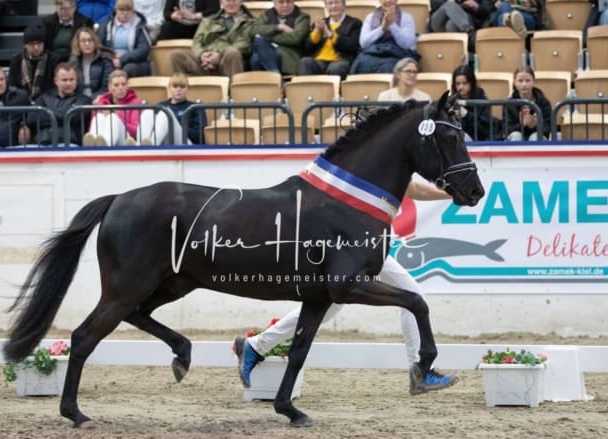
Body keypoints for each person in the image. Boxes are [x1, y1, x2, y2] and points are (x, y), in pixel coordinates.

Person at [233, 180, 460, 394]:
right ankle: (420, 371)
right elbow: (408, 188)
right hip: (355, 246)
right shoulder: (378, 157)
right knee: (411, 296)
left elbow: (412, 189)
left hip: (361, 245)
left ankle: (255, 345)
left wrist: (449, 193)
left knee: (328, 309)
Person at [171, 0, 254, 78]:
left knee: (232, 52)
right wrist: (202, 55)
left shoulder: (250, 22)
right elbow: (197, 42)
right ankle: (181, 90)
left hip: (228, 62)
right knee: (176, 55)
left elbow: (244, 44)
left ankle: (233, 92)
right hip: (205, 63)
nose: (231, 3)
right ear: (221, 1)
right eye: (227, 0)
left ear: (241, 1)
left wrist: (219, 55)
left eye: (234, 0)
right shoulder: (209, 20)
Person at [25, 63, 91, 146]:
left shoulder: (84, 100)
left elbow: (73, 117)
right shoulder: (44, 97)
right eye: (64, 80)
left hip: (68, 144)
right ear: (56, 81)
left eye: (72, 79)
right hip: (40, 143)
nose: (68, 83)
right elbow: (32, 118)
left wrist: (46, 112)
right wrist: (64, 115)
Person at [297, 0, 362, 79]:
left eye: (336, 2)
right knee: (305, 62)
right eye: (330, 3)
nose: (333, 6)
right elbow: (307, 48)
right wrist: (317, 32)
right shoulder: (321, 22)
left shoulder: (355, 23)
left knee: (336, 68)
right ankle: (307, 91)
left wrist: (330, 35)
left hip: (340, 60)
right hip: (319, 61)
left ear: (344, 5)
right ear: (326, 7)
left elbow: (352, 46)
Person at [137, 72, 206, 145]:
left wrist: (177, 125)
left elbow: (199, 135)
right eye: (175, 86)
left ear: (187, 89)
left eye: (182, 87)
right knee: (147, 112)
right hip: (164, 142)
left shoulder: (195, 108)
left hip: (186, 144)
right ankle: (140, 146)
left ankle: (152, 146)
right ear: (169, 88)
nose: (179, 90)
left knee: (166, 114)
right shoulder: (161, 105)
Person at [348, 0, 417, 74]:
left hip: (397, 54)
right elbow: (363, 43)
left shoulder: (406, 17)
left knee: (390, 67)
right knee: (361, 63)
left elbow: (407, 44)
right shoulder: (370, 17)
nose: (388, 1)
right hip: (373, 52)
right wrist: (382, 28)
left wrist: (392, 24)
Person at [83, 69, 143, 146]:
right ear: (110, 87)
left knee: (113, 117)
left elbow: (136, 132)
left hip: (127, 141)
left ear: (127, 86)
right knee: (99, 117)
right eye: (116, 85)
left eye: (123, 84)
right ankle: (93, 146)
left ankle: (105, 144)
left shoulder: (135, 103)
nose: (120, 88)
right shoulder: (100, 103)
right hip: (101, 139)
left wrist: (116, 117)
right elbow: (93, 126)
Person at [249, 0, 310, 75]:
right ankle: (275, 75)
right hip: (267, 50)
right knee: (259, 47)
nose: (285, 5)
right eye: (281, 2)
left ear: (293, 2)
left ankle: (271, 77)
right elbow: (254, 31)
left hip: (288, 55)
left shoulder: (302, 17)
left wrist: (268, 38)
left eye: (288, 2)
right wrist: (278, 27)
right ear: (274, 4)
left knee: (257, 56)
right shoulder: (266, 14)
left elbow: (296, 38)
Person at [97, 0, 152, 78]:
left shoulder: (140, 25)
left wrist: (123, 59)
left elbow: (144, 49)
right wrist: (112, 57)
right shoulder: (106, 24)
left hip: (133, 62)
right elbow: (99, 46)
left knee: (128, 69)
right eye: (122, 10)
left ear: (133, 11)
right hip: (110, 59)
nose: (125, 13)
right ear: (116, 10)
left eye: (128, 10)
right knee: (104, 68)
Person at [8, 25, 61, 103]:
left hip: (48, 102)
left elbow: (55, 87)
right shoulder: (16, 61)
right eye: (32, 44)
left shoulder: (54, 60)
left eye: (39, 43)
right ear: (25, 45)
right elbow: (13, 86)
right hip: (22, 102)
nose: (36, 47)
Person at [0, 65, 30, 147]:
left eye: (2, 79)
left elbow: (30, 116)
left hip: (14, 148)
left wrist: (24, 125)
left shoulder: (20, 96)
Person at [503, 65, 551, 141]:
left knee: (535, 137)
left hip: (536, 136)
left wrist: (534, 125)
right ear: (514, 82)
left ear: (534, 82)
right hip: (516, 136)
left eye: (528, 80)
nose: (524, 84)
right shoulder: (509, 103)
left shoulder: (543, 102)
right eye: (520, 81)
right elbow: (506, 130)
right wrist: (522, 124)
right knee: (516, 136)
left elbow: (548, 128)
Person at [451, 63, 498, 141]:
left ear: (472, 83)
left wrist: (466, 115)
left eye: (465, 83)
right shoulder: (451, 101)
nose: (461, 87)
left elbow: (484, 130)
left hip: (479, 143)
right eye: (458, 84)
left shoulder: (482, 101)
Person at [69, 26, 115, 101]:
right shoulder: (73, 62)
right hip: (78, 101)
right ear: (78, 44)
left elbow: (106, 86)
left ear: (95, 42)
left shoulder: (105, 60)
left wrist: (92, 99)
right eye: (83, 41)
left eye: (90, 40)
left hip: (99, 99)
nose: (87, 44)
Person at [428, 0, 494, 50]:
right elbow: (433, 3)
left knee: (451, 24)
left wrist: (476, 6)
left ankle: (457, 56)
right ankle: (469, 31)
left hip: (462, 20)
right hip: (440, 20)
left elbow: (488, 11)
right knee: (450, 4)